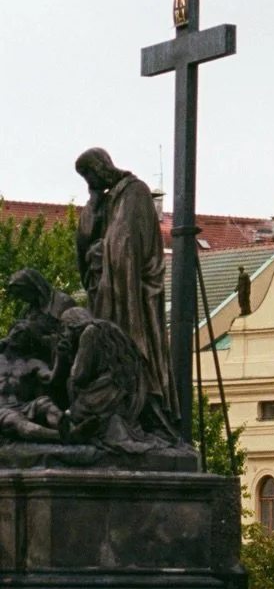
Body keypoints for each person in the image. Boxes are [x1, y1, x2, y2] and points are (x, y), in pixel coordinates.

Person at [74, 147, 174, 420]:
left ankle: (140, 406)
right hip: (107, 285)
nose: (90, 182)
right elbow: (84, 238)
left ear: (102, 168)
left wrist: (102, 252)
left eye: (90, 175)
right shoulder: (107, 199)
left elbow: (125, 241)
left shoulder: (134, 192)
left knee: (128, 345)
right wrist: (93, 204)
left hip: (133, 292)